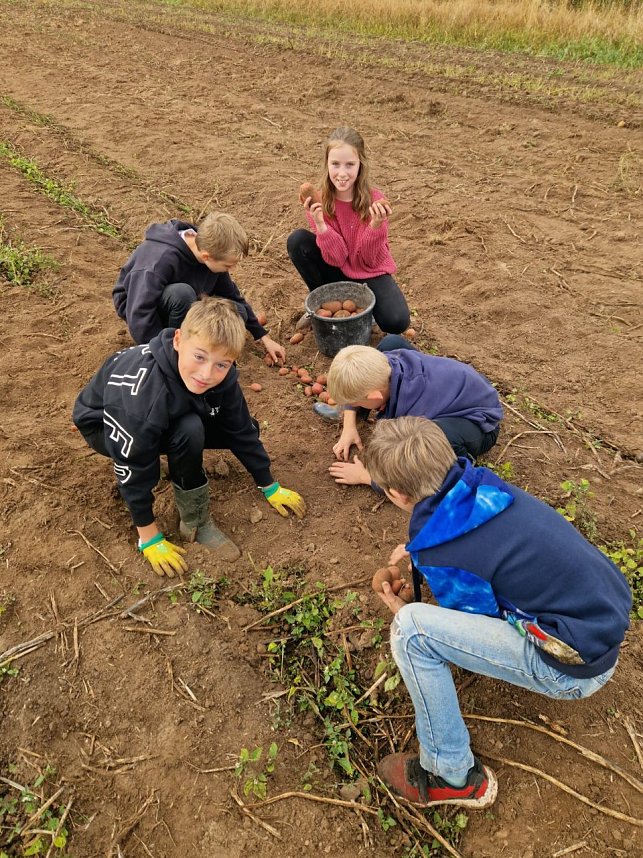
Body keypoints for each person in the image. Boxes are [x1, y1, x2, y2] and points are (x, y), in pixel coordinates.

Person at [362, 416, 631, 809]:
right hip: (600, 622)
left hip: (572, 667)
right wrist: (426, 552)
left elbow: (477, 622)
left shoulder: (446, 551)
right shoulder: (487, 489)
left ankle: (449, 774)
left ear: (397, 494)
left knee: (412, 632)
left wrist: (412, 600)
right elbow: (482, 547)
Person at [73, 297, 305, 577]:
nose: (207, 374)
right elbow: (131, 465)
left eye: (222, 364)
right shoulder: (144, 399)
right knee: (187, 431)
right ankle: (197, 521)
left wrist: (269, 485)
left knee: (241, 427)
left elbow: (241, 430)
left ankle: (187, 497)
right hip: (104, 425)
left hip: (168, 407)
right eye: (199, 357)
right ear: (178, 340)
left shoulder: (219, 378)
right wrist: (149, 538)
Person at [324, 337, 503, 489]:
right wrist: (349, 426)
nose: (351, 406)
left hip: (481, 424)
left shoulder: (413, 415)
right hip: (461, 388)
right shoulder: (390, 359)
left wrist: (367, 477)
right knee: (391, 341)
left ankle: (460, 462)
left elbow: (409, 475)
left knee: (434, 439)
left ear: (376, 396)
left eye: (354, 403)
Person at [112, 212, 285, 363]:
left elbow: (232, 296)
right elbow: (139, 311)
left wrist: (264, 337)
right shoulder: (159, 260)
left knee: (237, 311)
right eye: (228, 266)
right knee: (181, 294)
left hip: (184, 300)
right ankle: (173, 350)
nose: (231, 270)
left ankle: (199, 344)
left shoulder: (210, 252)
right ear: (206, 256)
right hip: (140, 306)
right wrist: (156, 352)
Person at [287, 126, 410, 335]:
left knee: (397, 321)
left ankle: (365, 309)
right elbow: (337, 258)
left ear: (360, 165)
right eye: (335, 164)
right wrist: (321, 226)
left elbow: (370, 259)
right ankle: (321, 303)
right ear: (327, 164)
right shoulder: (318, 202)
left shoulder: (375, 201)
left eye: (350, 165)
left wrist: (375, 225)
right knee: (297, 240)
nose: (342, 173)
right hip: (337, 268)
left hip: (369, 271)